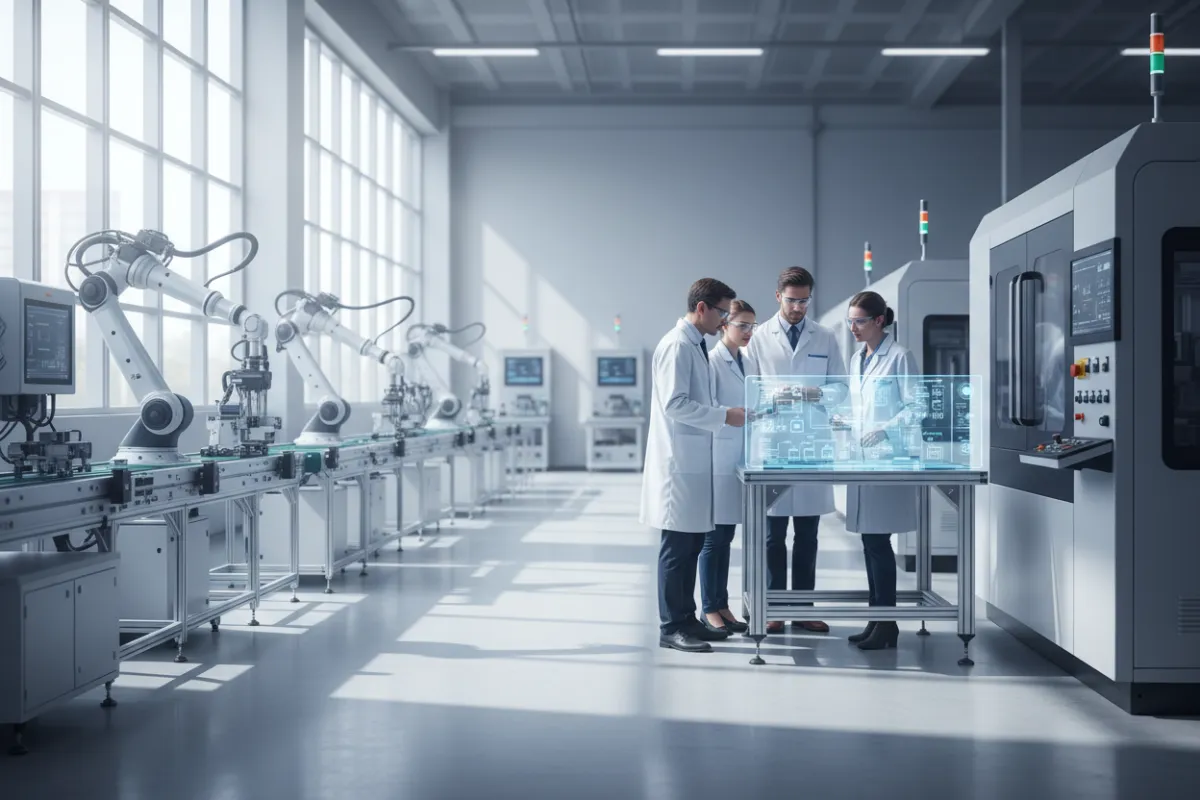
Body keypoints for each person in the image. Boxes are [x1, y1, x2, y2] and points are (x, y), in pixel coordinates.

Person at [640, 278, 747, 653]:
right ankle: (671, 626)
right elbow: (675, 404)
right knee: (677, 546)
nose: (724, 321)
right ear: (701, 308)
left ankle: (687, 619)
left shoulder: (695, 343)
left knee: (691, 544)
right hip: (678, 463)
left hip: (694, 459)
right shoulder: (676, 346)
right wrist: (724, 416)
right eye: (722, 312)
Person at [746, 267, 846, 634]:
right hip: (773, 440)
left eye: (804, 300)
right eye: (792, 300)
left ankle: (803, 607)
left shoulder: (826, 337)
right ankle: (773, 607)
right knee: (773, 533)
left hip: (812, 442)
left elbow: (841, 387)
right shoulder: (759, 337)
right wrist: (773, 396)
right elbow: (748, 388)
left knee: (807, 532)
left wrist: (814, 393)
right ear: (778, 297)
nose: (798, 307)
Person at [843, 290, 921, 651]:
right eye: (850, 321)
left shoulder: (900, 357)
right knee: (868, 541)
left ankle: (887, 624)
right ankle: (877, 619)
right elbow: (856, 406)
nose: (853, 328)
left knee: (878, 541)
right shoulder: (858, 358)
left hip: (888, 458)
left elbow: (917, 406)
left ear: (878, 321)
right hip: (862, 459)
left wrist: (885, 428)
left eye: (859, 321)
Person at [700, 299, 758, 636]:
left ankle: (722, 603)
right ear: (724, 324)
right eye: (742, 325)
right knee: (714, 538)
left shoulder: (746, 361)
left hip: (740, 457)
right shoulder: (712, 362)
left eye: (752, 326)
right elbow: (708, 409)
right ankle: (709, 607)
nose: (749, 332)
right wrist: (732, 413)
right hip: (719, 458)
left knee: (727, 536)